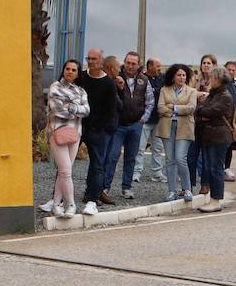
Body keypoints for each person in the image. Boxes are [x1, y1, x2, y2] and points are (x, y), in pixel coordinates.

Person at [43, 60, 89, 217]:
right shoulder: (55, 87)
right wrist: (76, 109)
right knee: (65, 170)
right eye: (67, 69)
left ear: (77, 73)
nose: (70, 71)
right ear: (63, 70)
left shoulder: (81, 90)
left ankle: (56, 204)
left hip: (75, 133)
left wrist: (70, 107)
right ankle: (71, 204)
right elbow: (57, 110)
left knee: (65, 171)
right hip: (57, 131)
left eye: (73, 69)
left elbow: (87, 110)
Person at [78, 47, 121, 216]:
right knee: (65, 164)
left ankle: (92, 197)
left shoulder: (108, 83)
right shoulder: (81, 77)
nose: (91, 62)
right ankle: (58, 197)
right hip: (80, 126)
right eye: (88, 58)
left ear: (101, 61)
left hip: (98, 130)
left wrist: (102, 128)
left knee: (97, 165)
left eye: (94, 59)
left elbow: (111, 110)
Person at [193, 67, 236, 212]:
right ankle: (213, 198)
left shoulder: (225, 96)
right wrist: (202, 111)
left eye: (212, 77)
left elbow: (208, 111)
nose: (209, 79)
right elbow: (201, 109)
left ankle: (216, 200)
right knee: (210, 167)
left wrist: (202, 111)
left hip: (219, 137)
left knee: (216, 168)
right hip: (209, 135)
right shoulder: (214, 94)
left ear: (218, 79)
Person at [113, 51, 154, 200]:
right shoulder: (116, 77)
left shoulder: (144, 80)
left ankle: (127, 188)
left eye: (133, 63)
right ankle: (105, 187)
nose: (130, 66)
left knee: (131, 158)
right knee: (113, 156)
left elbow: (150, 102)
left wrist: (143, 118)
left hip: (136, 125)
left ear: (138, 65)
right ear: (124, 62)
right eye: (128, 62)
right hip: (118, 125)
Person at [156, 64, 197, 201]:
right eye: (179, 75)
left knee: (180, 158)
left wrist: (173, 107)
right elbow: (160, 108)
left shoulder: (191, 91)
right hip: (167, 127)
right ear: (173, 76)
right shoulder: (164, 90)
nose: (181, 77)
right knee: (169, 159)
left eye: (184, 75)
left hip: (185, 128)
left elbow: (191, 108)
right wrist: (179, 110)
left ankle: (187, 189)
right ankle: (172, 190)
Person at [189, 54, 219, 195]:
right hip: (194, 122)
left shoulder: (216, 81)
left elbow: (218, 98)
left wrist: (205, 96)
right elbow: (188, 93)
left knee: (206, 157)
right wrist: (197, 93)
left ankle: (205, 184)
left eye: (208, 63)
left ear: (213, 65)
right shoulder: (195, 80)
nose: (206, 65)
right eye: (204, 63)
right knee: (191, 155)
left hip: (209, 124)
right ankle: (189, 184)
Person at [139, 57, 167, 183]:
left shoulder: (162, 79)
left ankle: (157, 173)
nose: (159, 68)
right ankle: (136, 173)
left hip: (158, 119)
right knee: (140, 148)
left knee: (158, 148)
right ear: (150, 66)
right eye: (157, 66)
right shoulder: (141, 79)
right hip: (145, 119)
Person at [222, 62, 236, 182]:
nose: (231, 72)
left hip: (232, 119)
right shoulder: (221, 84)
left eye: (233, 70)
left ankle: (227, 168)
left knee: (229, 145)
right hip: (222, 120)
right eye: (228, 70)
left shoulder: (234, 85)